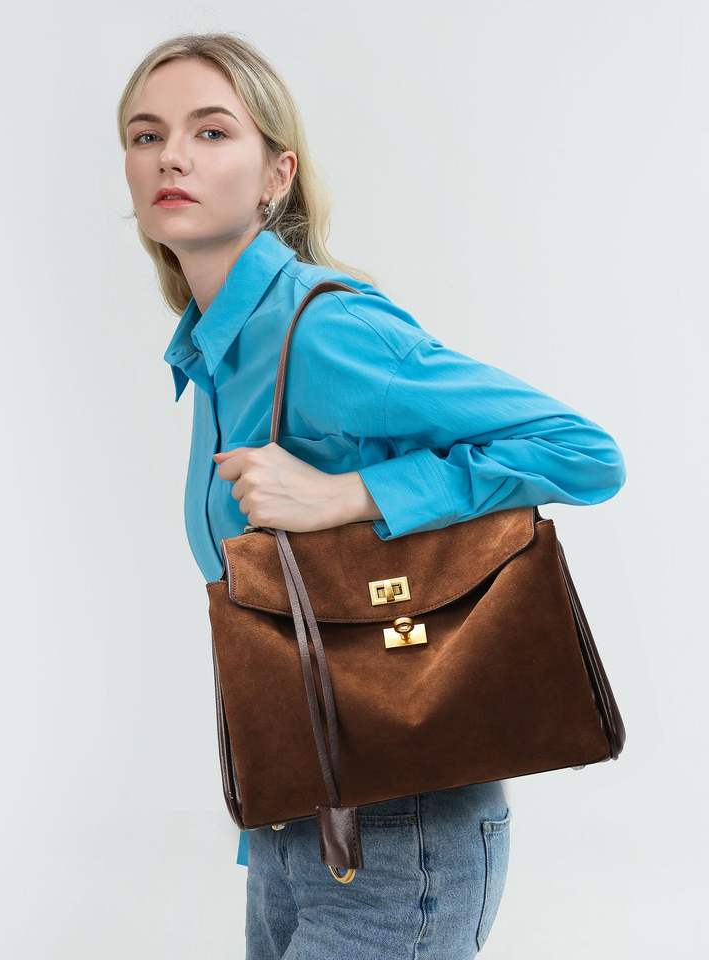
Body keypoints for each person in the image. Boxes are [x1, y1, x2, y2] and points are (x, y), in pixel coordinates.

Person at [118, 32, 626, 960]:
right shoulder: (215, 351)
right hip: (291, 820)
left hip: (401, 831)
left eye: (211, 131)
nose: (171, 157)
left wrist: (351, 494)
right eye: (146, 135)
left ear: (276, 176)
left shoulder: (324, 329)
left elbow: (583, 453)